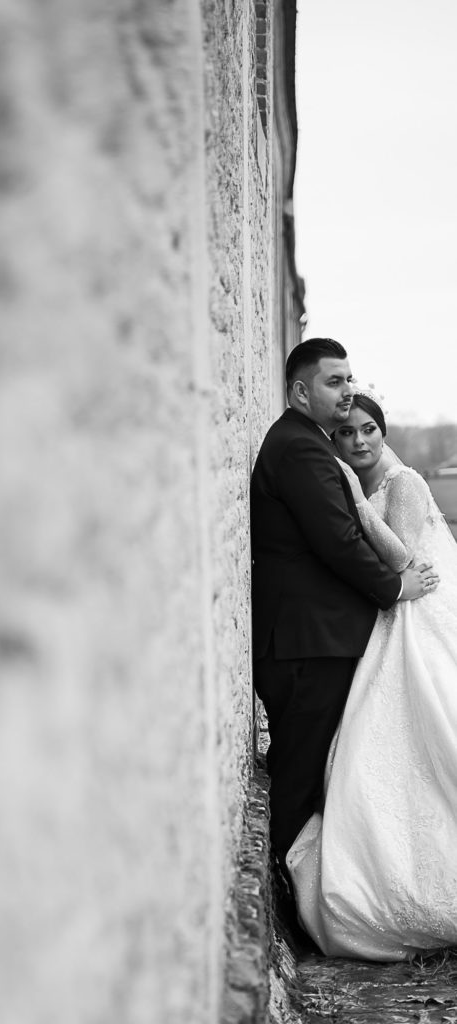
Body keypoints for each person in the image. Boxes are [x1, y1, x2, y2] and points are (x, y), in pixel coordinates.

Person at [250, 339, 436, 884]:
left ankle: (304, 880)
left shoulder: (308, 442)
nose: (347, 388)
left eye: (349, 378)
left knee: (312, 767)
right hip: (310, 641)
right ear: (301, 391)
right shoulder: (302, 449)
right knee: (299, 767)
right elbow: (338, 541)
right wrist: (395, 588)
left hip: (316, 637)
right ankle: (288, 885)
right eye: (334, 381)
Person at [287, 391, 457, 960]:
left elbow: (401, 559)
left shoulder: (404, 483)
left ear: (384, 433)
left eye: (368, 431)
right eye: (346, 434)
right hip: (388, 618)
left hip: (412, 620)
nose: (357, 442)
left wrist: (358, 503)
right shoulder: (367, 477)